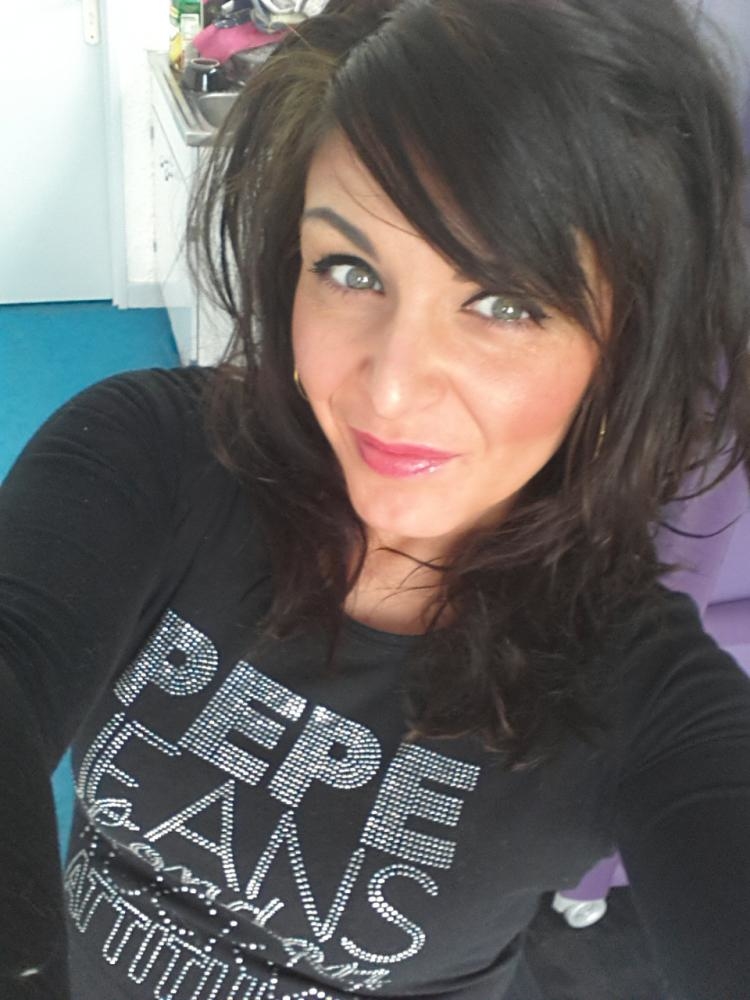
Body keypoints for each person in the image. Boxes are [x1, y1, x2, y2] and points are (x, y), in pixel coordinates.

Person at [2, 0, 750, 997]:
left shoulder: (640, 690)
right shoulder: (153, 455)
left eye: (505, 303)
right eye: (351, 270)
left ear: (622, 349)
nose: (390, 388)